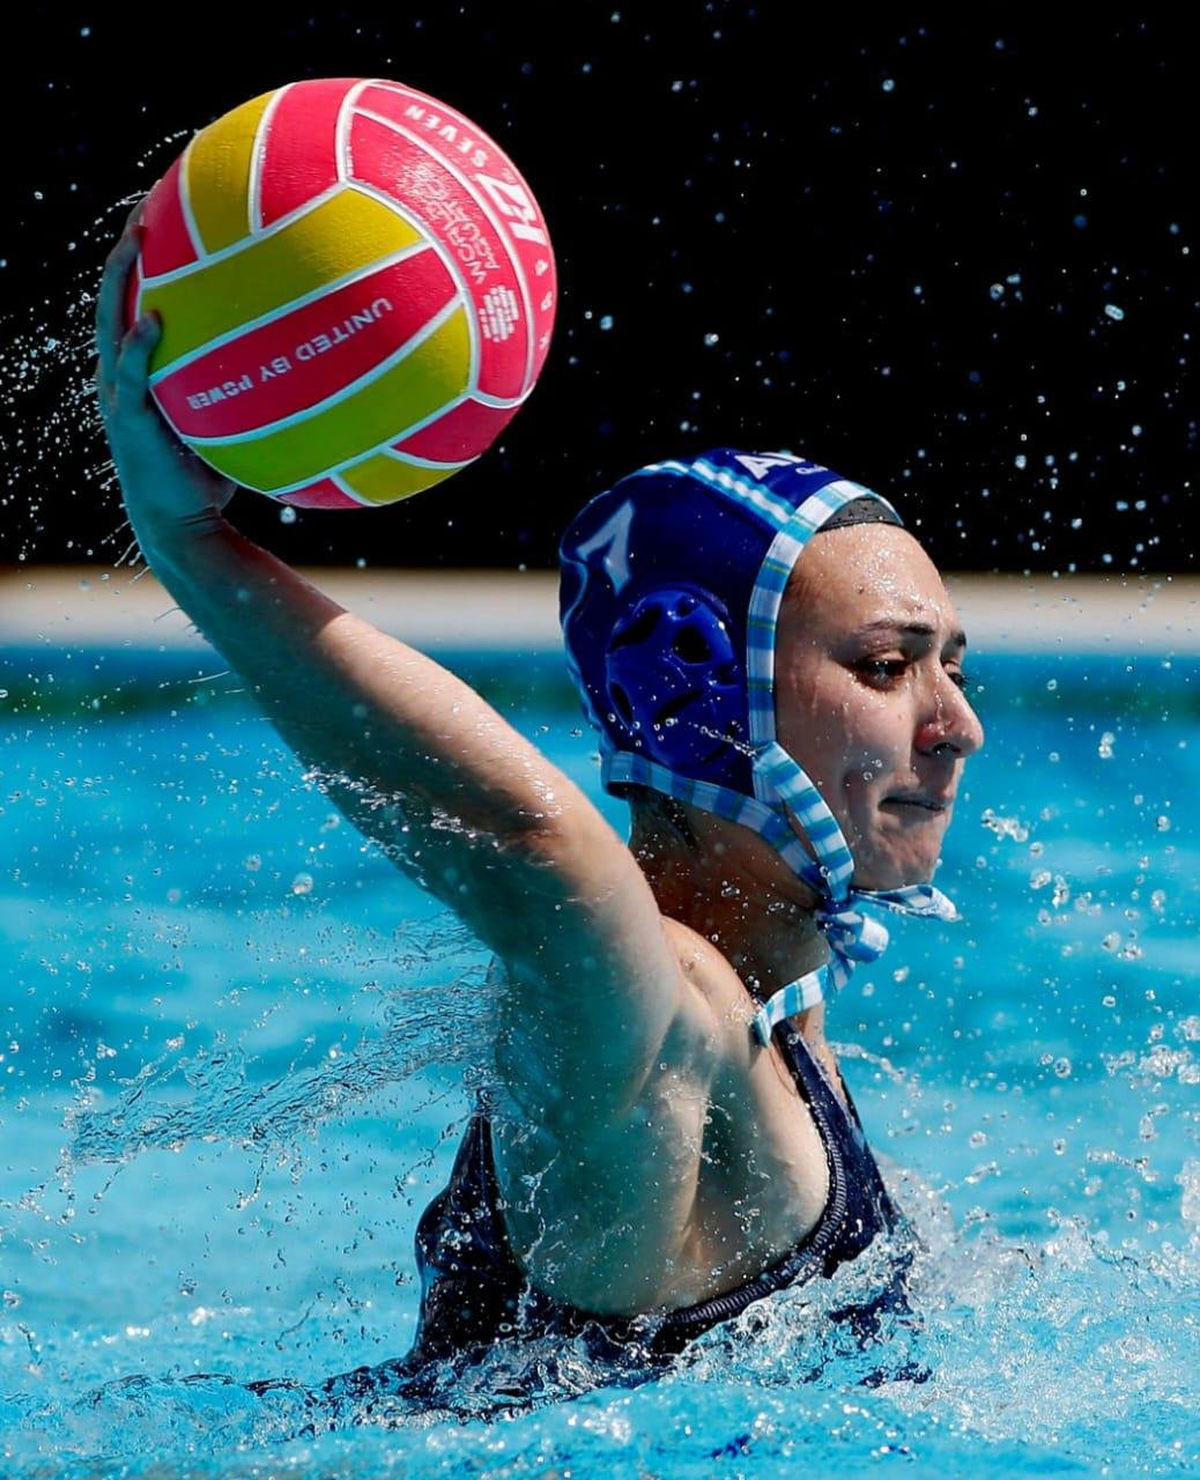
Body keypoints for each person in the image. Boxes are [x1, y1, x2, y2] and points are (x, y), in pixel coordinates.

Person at [94, 200, 984, 1399]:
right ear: (698, 700)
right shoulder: (664, 1017)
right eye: (887, 667)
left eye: (954, 667)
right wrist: (191, 544)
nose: (957, 725)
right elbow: (542, 846)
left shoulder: (777, 997)